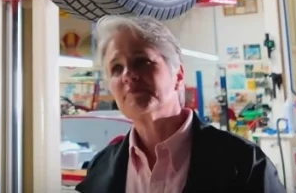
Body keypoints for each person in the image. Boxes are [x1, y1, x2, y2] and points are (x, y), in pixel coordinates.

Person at [78, 15, 284, 193]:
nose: (128, 75)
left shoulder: (245, 163)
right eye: (116, 68)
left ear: (178, 74)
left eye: (141, 61)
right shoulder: (100, 169)